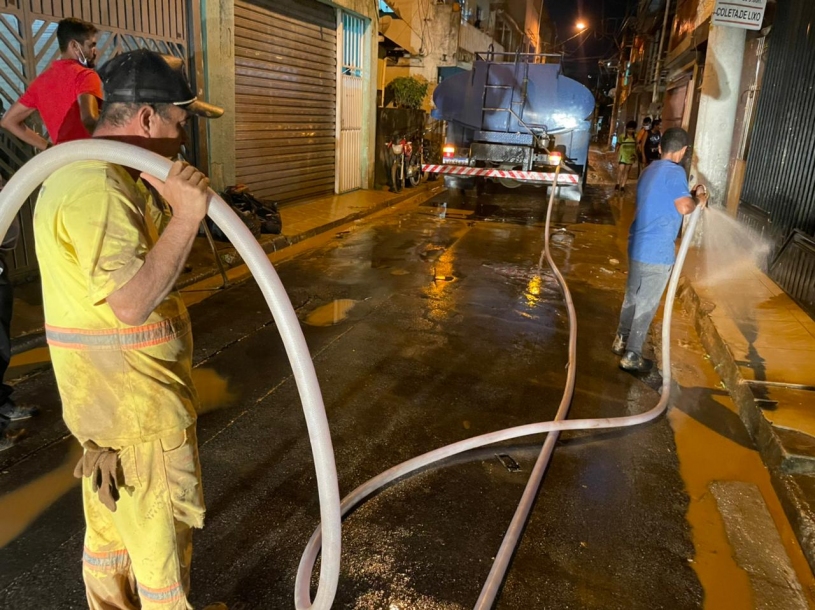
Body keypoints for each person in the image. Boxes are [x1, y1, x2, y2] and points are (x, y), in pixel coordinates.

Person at [33, 49, 226, 609]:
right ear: (147, 119)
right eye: (179, 123)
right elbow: (131, 302)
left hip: (111, 418)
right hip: (140, 417)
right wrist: (190, 215)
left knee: (113, 547)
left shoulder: (98, 174)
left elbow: (144, 269)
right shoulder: (97, 186)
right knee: (161, 563)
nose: (182, 138)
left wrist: (172, 211)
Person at [612, 127, 708, 372]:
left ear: (660, 147)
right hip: (657, 251)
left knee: (632, 296)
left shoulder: (648, 170)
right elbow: (685, 207)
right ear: (683, 150)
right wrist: (699, 199)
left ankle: (621, 339)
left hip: (637, 245)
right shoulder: (676, 173)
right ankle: (632, 354)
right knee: (647, 303)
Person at [0, 18, 102, 150]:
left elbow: (8, 121)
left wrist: (48, 147)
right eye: (91, 45)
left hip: (61, 163)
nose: (95, 51)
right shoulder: (85, 76)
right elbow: (89, 119)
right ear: (74, 46)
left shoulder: (41, 82)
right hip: (92, 159)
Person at [615, 120, 638, 192]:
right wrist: (616, 154)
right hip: (623, 155)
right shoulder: (622, 136)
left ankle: (623, 186)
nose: (631, 130)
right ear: (626, 128)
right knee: (621, 170)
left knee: (627, 171)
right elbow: (618, 145)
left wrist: (635, 155)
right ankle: (618, 183)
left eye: (632, 129)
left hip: (630, 156)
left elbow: (637, 146)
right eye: (629, 129)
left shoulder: (636, 136)